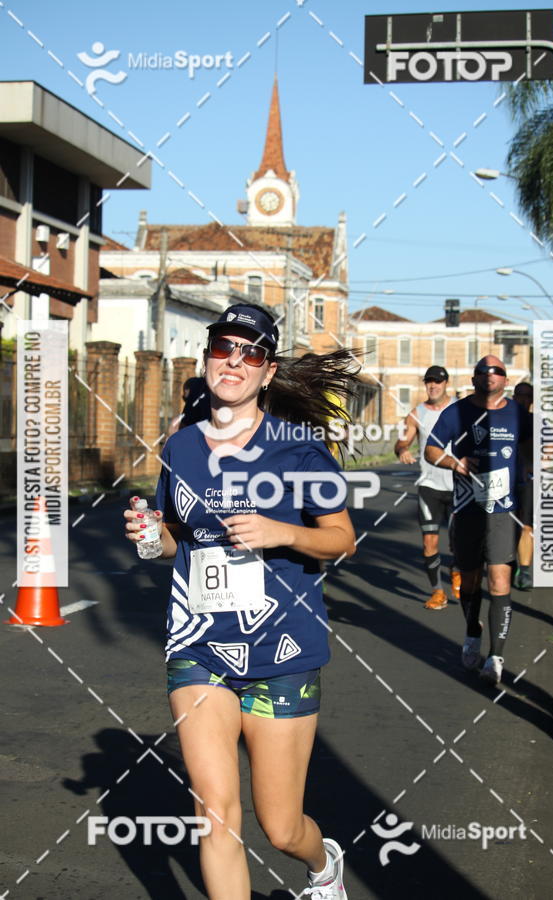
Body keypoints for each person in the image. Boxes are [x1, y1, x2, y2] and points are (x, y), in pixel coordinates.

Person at [124, 303, 357, 899]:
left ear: (268, 370)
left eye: (250, 352)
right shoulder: (180, 448)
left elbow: (341, 539)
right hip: (198, 645)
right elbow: (177, 537)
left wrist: (282, 532)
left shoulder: (299, 449)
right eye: (223, 347)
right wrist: (152, 538)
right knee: (215, 814)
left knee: (280, 827)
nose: (234, 360)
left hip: (283, 652)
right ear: (207, 358)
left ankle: (322, 864)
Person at [424, 355, 533, 686]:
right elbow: (431, 450)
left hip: (504, 511)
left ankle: (496, 656)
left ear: (506, 378)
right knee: (469, 581)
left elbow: (531, 453)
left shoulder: (517, 413)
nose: (490, 375)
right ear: (474, 379)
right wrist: (455, 464)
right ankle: (473, 631)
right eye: (483, 371)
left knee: (500, 581)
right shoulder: (456, 412)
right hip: (468, 509)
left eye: (497, 371)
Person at [394, 365, 460, 610]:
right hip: (429, 485)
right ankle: (437, 592)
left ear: (446, 383)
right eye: (429, 382)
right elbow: (401, 441)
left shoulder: (460, 409)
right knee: (429, 543)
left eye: (438, 382)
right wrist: (403, 450)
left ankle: (457, 571)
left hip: (458, 485)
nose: (433, 386)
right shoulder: (416, 414)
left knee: (459, 542)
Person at [512, 382, 534, 590]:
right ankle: (507, 561)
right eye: (519, 395)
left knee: (526, 525)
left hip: (527, 481)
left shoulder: (538, 423)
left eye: (528, 396)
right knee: (505, 524)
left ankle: (525, 571)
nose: (523, 399)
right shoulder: (503, 419)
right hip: (504, 480)